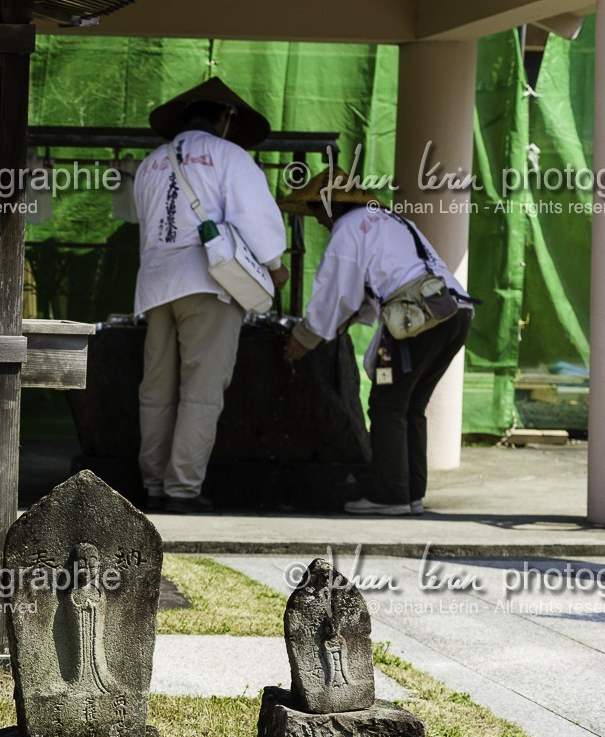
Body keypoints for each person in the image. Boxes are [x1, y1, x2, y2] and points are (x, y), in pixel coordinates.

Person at [132, 78, 289, 514]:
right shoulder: (228, 155)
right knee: (201, 391)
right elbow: (255, 217)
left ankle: (154, 485)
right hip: (209, 282)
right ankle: (182, 488)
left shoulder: (150, 164)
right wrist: (275, 267)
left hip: (156, 286)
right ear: (224, 119)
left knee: (156, 390)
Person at [281, 169, 475, 515]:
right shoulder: (390, 220)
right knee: (410, 404)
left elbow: (334, 292)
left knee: (387, 403)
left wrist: (304, 337)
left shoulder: (349, 228)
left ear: (328, 205)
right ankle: (411, 492)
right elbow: (364, 295)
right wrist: (340, 324)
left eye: (316, 210)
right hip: (454, 312)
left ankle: (390, 496)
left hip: (420, 319)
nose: (318, 220)